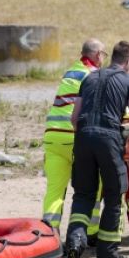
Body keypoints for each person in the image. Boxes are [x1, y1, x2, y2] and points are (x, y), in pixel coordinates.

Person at [64, 41, 129, 258]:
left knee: (83, 196)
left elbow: (74, 118)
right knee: (113, 194)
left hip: (83, 137)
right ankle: (107, 256)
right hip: (108, 138)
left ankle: (73, 249)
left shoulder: (89, 78)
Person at [42, 39, 107, 236]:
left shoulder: (71, 71)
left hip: (53, 136)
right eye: (104, 54)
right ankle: (92, 231)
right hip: (74, 137)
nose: (104, 58)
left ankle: (48, 236)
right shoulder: (93, 76)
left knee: (55, 190)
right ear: (97, 55)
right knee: (93, 186)